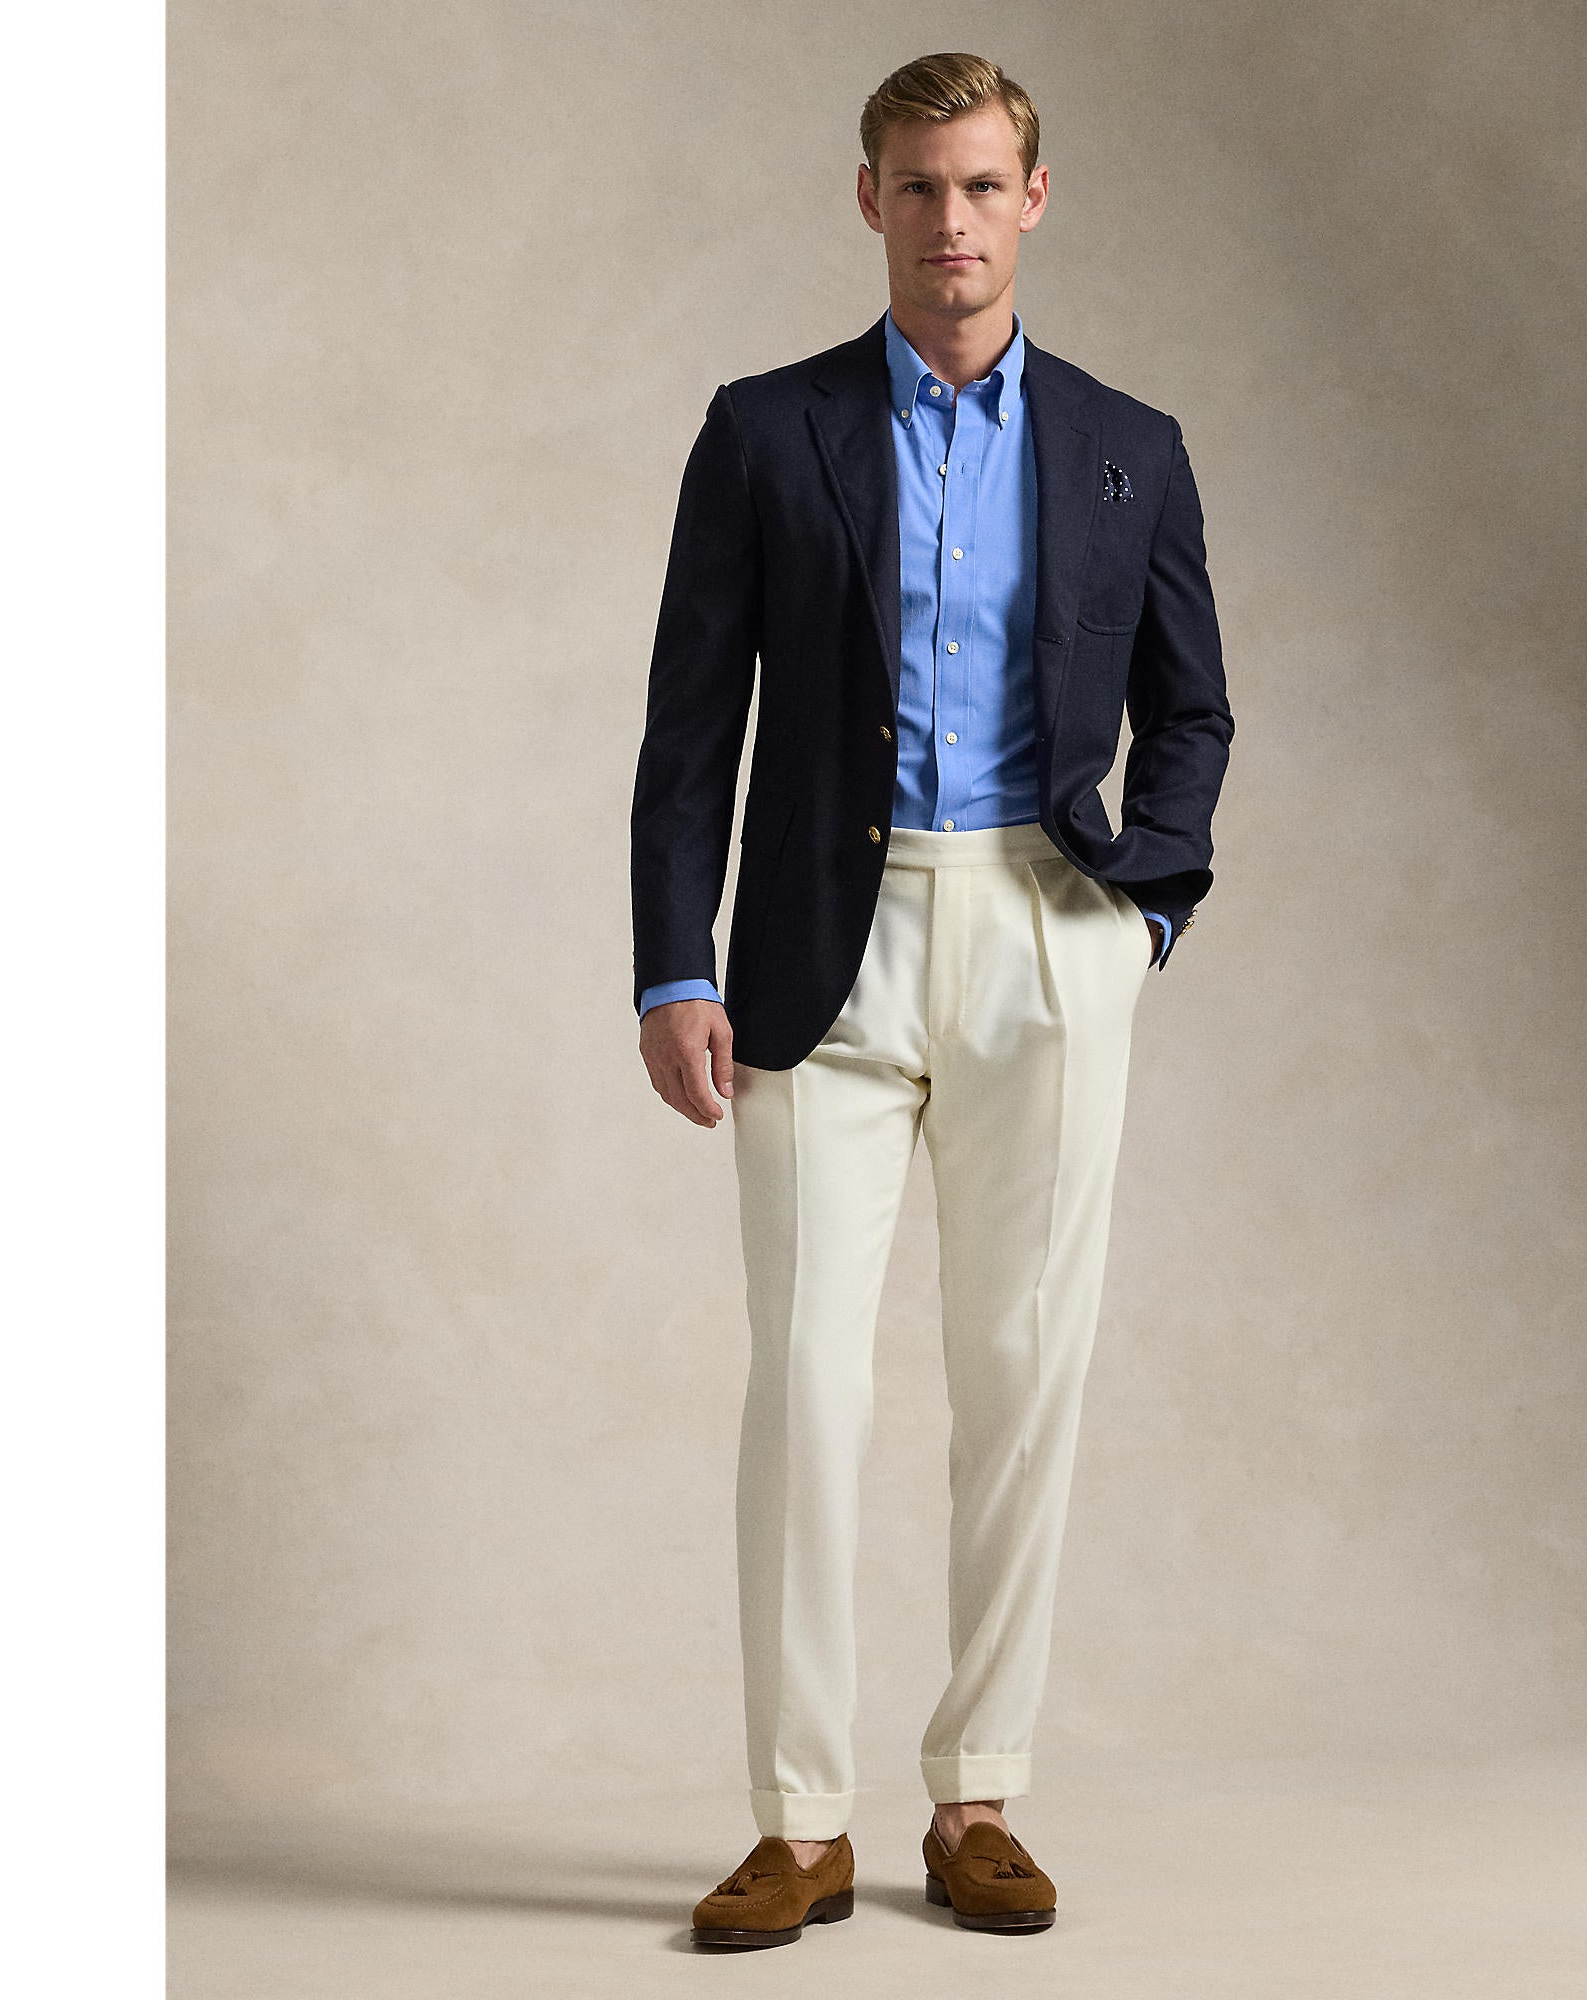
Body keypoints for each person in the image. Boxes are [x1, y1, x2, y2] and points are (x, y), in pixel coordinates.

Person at [629, 50, 1232, 1948]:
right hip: (823, 943)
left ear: (1032, 199)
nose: (950, 221)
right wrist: (674, 961)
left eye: (981, 186)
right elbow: (688, 727)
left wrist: (1140, 919)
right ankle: (800, 1820)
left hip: (1048, 929)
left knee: (1023, 1375)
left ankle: (978, 1795)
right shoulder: (765, 430)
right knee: (807, 1381)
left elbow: (1194, 710)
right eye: (917, 186)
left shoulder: (1130, 443)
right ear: (868, 198)